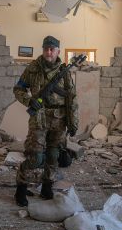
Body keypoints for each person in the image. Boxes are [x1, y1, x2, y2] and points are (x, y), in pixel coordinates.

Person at [12, 35, 79, 206]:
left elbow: (71, 98)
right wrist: (29, 100)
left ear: (58, 51)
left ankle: (47, 187)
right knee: (35, 157)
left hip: (59, 119)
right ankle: (21, 188)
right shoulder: (33, 68)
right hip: (39, 118)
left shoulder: (64, 72)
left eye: (52, 49)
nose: (49, 52)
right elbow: (18, 89)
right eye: (46, 49)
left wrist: (73, 122)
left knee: (53, 155)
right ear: (43, 50)